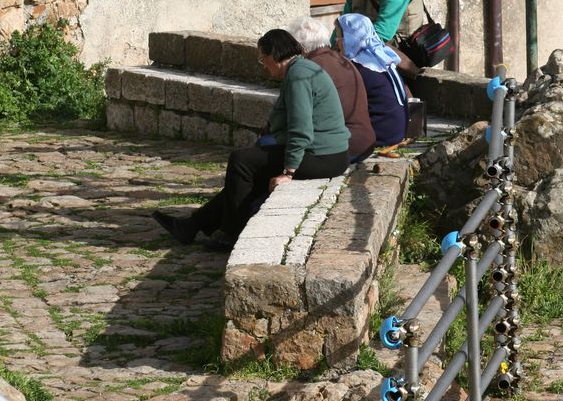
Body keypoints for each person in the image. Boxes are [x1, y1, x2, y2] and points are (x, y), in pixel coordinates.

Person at [153, 29, 350, 251]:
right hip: (327, 152)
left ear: (274, 54)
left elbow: (301, 129)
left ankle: (231, 233)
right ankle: (192, 225)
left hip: (324, 156)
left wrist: (288, 172)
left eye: (262, 58)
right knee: (250, 167)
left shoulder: (298, 75)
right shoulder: (300, 69)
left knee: (242, 161)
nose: (263, 65)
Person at [288, 16, 375, 162]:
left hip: (342, 147)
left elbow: (299, 120)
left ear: (300, 47)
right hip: (366, 142)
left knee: (268, 145)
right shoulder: (343, 60)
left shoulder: (308, 68)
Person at [335, 13, 408, 147]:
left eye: (339, 38)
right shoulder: (381, 57)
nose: (336, 43)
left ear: (349, 40)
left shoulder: (358, 67)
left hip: (379, 135)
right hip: (397, 132)